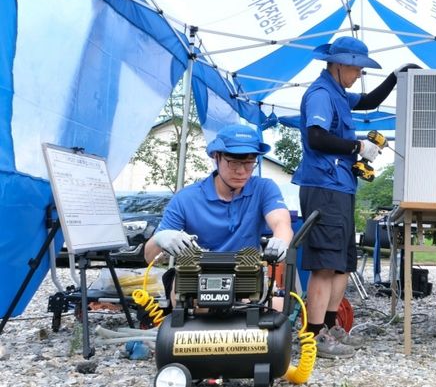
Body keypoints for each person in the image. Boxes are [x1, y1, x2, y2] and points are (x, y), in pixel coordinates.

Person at [292, 36, 417, 359]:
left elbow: (369, 101)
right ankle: (314, 335)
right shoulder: (320, 95)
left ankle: (331, 327)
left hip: (341, 187)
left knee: (343, 261)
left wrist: (396, 76)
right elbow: (316, 136)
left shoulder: (338, 95)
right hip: (324, 187)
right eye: (357, 68)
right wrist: (357, 146)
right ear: (339, 64)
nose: (360, 74)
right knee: (323, 263)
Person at [144, 124, 293, 307]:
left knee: (277, 308)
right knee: (189, 295)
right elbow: (148, 256)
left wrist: (281, 241)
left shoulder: (264, 189)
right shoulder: (186, 198)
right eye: (234, 162)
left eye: (249, 163)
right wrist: (160, 238)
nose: (242, 171)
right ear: (216, 157)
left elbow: (281, 223)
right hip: (196, 274)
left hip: (245, 273)